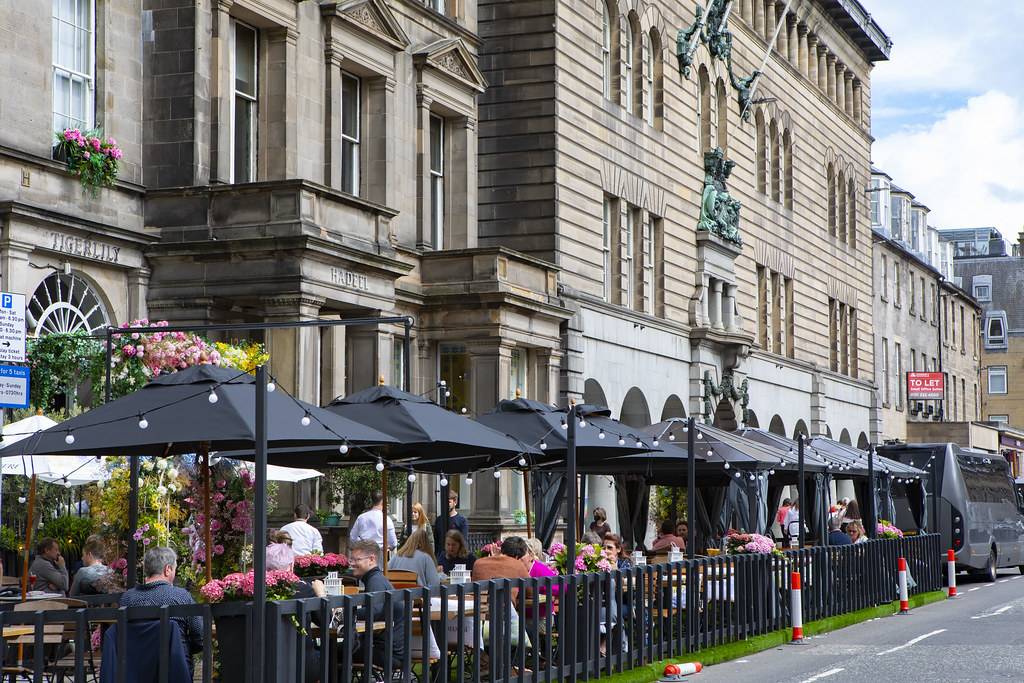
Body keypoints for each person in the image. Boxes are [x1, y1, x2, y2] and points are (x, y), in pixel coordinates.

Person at [120, 547, 202, 674]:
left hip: (137, 671)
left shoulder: (127, 598)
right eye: (174, 568)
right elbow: (200, 637)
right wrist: (181, 647)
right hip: (175, 670)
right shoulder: (181, 596)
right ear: (167, 569)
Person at [266, 543, 323, 683]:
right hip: (301, 667)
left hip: (265, 665)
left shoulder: (256, 588)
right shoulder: (303, 587)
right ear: (291, 566)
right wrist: (321, 593)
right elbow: (324, 620)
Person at [349, 540, 405, 671]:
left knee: (329, 651)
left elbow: (372, 611)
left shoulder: (376, 581)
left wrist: (343, 611)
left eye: (356, 559)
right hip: (388, 651)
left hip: (386, 653)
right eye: (351, 560)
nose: (351, 564)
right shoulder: (376, 579)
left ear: (371, 559)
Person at [472, 536, 531, 600]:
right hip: (504, 607)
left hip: (479, 607)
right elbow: (531, 592)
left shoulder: (478, 563)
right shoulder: (517, 564)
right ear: (517, 557)